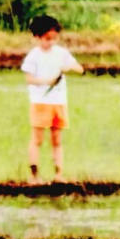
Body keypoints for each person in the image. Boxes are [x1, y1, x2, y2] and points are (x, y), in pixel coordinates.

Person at [21, 15, 83, 184]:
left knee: (57, 140)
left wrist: (69, 67)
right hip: (41, 102)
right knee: (37, 140)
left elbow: (80, 68)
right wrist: (46, 81)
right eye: (47, 39)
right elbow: (29, 79)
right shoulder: (33, 56)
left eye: (54, 39)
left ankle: (58, 175)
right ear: (37, 37)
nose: (50, 42)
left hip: (59, 103)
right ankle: (34, 176)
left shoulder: (61, 53)